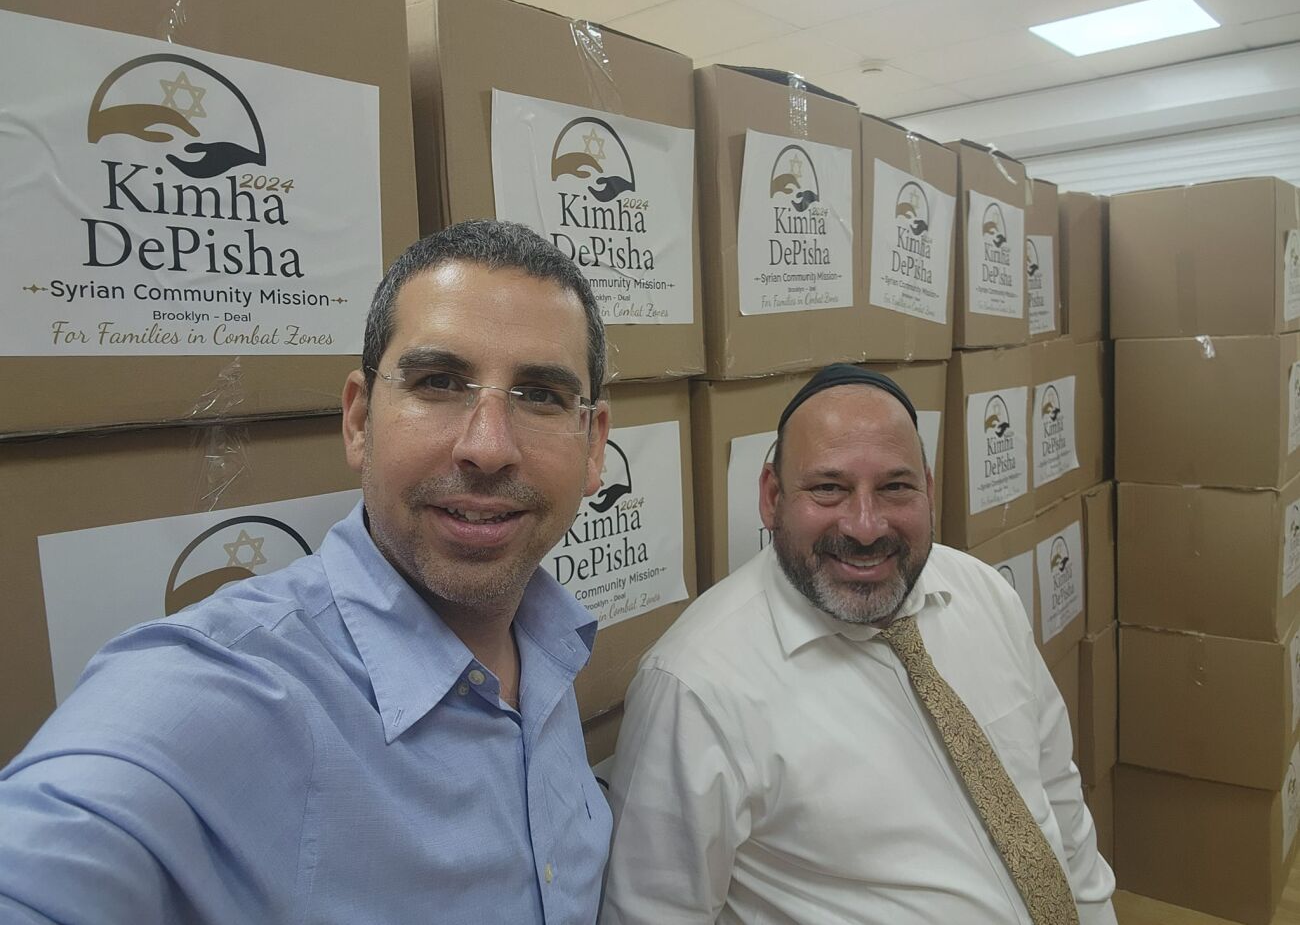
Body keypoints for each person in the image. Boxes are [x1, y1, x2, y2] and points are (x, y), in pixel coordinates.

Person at [0, 220, 613, 925]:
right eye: (439, 382)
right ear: (358, 421)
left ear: (593, 445)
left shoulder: (546, 643)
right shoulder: (222, 690)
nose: (488, 446)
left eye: (540, 395)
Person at [600, 364, 1117, 925]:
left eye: (895, 487)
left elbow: (1056, 795)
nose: (866, 527)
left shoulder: (985, 594)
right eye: (829, 488)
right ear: (771, 498)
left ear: (929, 490)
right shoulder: (694, 689)